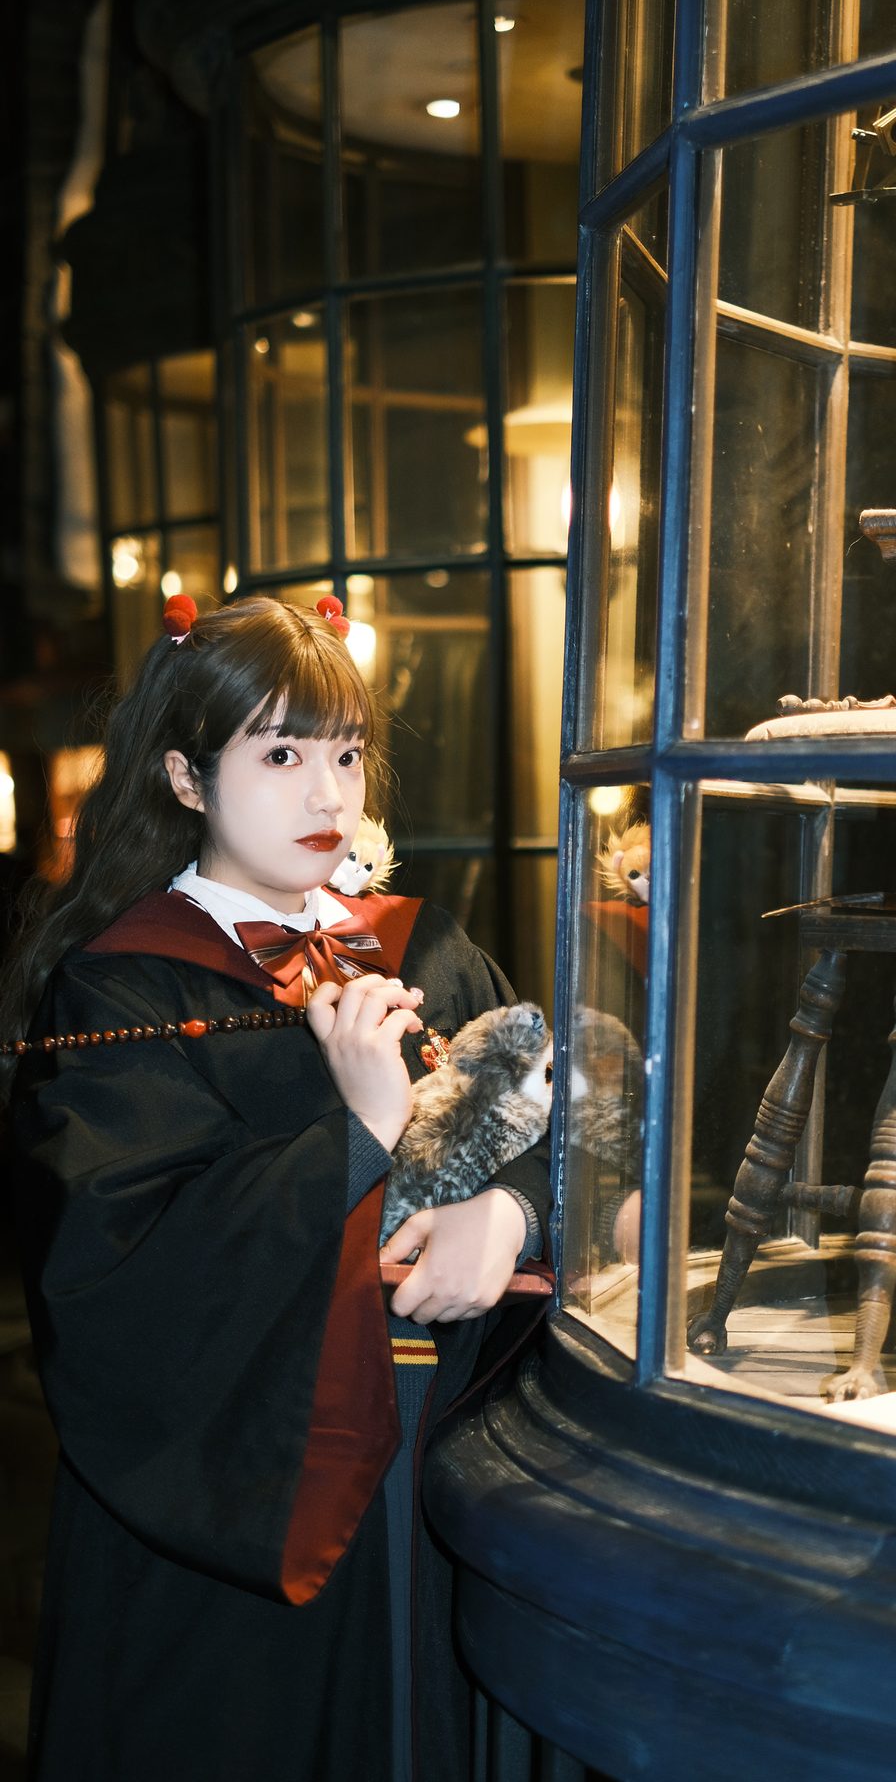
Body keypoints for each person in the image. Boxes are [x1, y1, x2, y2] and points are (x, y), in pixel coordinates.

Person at [0, 594, 550, 1782]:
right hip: (244, 1502)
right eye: (282, 755)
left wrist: (511, 1214)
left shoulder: (423, 946)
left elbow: (552, 1122)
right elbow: (116, 1264)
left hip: (446, 1469)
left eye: (347, 755)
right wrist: (361, 1129)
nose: (326, 795)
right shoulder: (123, 987)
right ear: (186, 778)